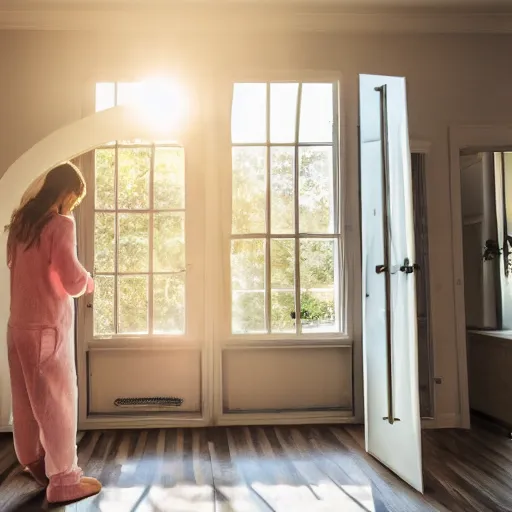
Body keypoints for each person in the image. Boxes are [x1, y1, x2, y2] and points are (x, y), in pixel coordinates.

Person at [4, 162, 101, 504]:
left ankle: (35, 461)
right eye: (74, 198)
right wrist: (89, 281)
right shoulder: (59, 223)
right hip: (47, 330)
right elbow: (72, 278)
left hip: (17, 328)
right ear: (67, 192)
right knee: (58, 402)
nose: (73, 205)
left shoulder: (20, 224)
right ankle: (63, 481)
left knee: (26, 400)